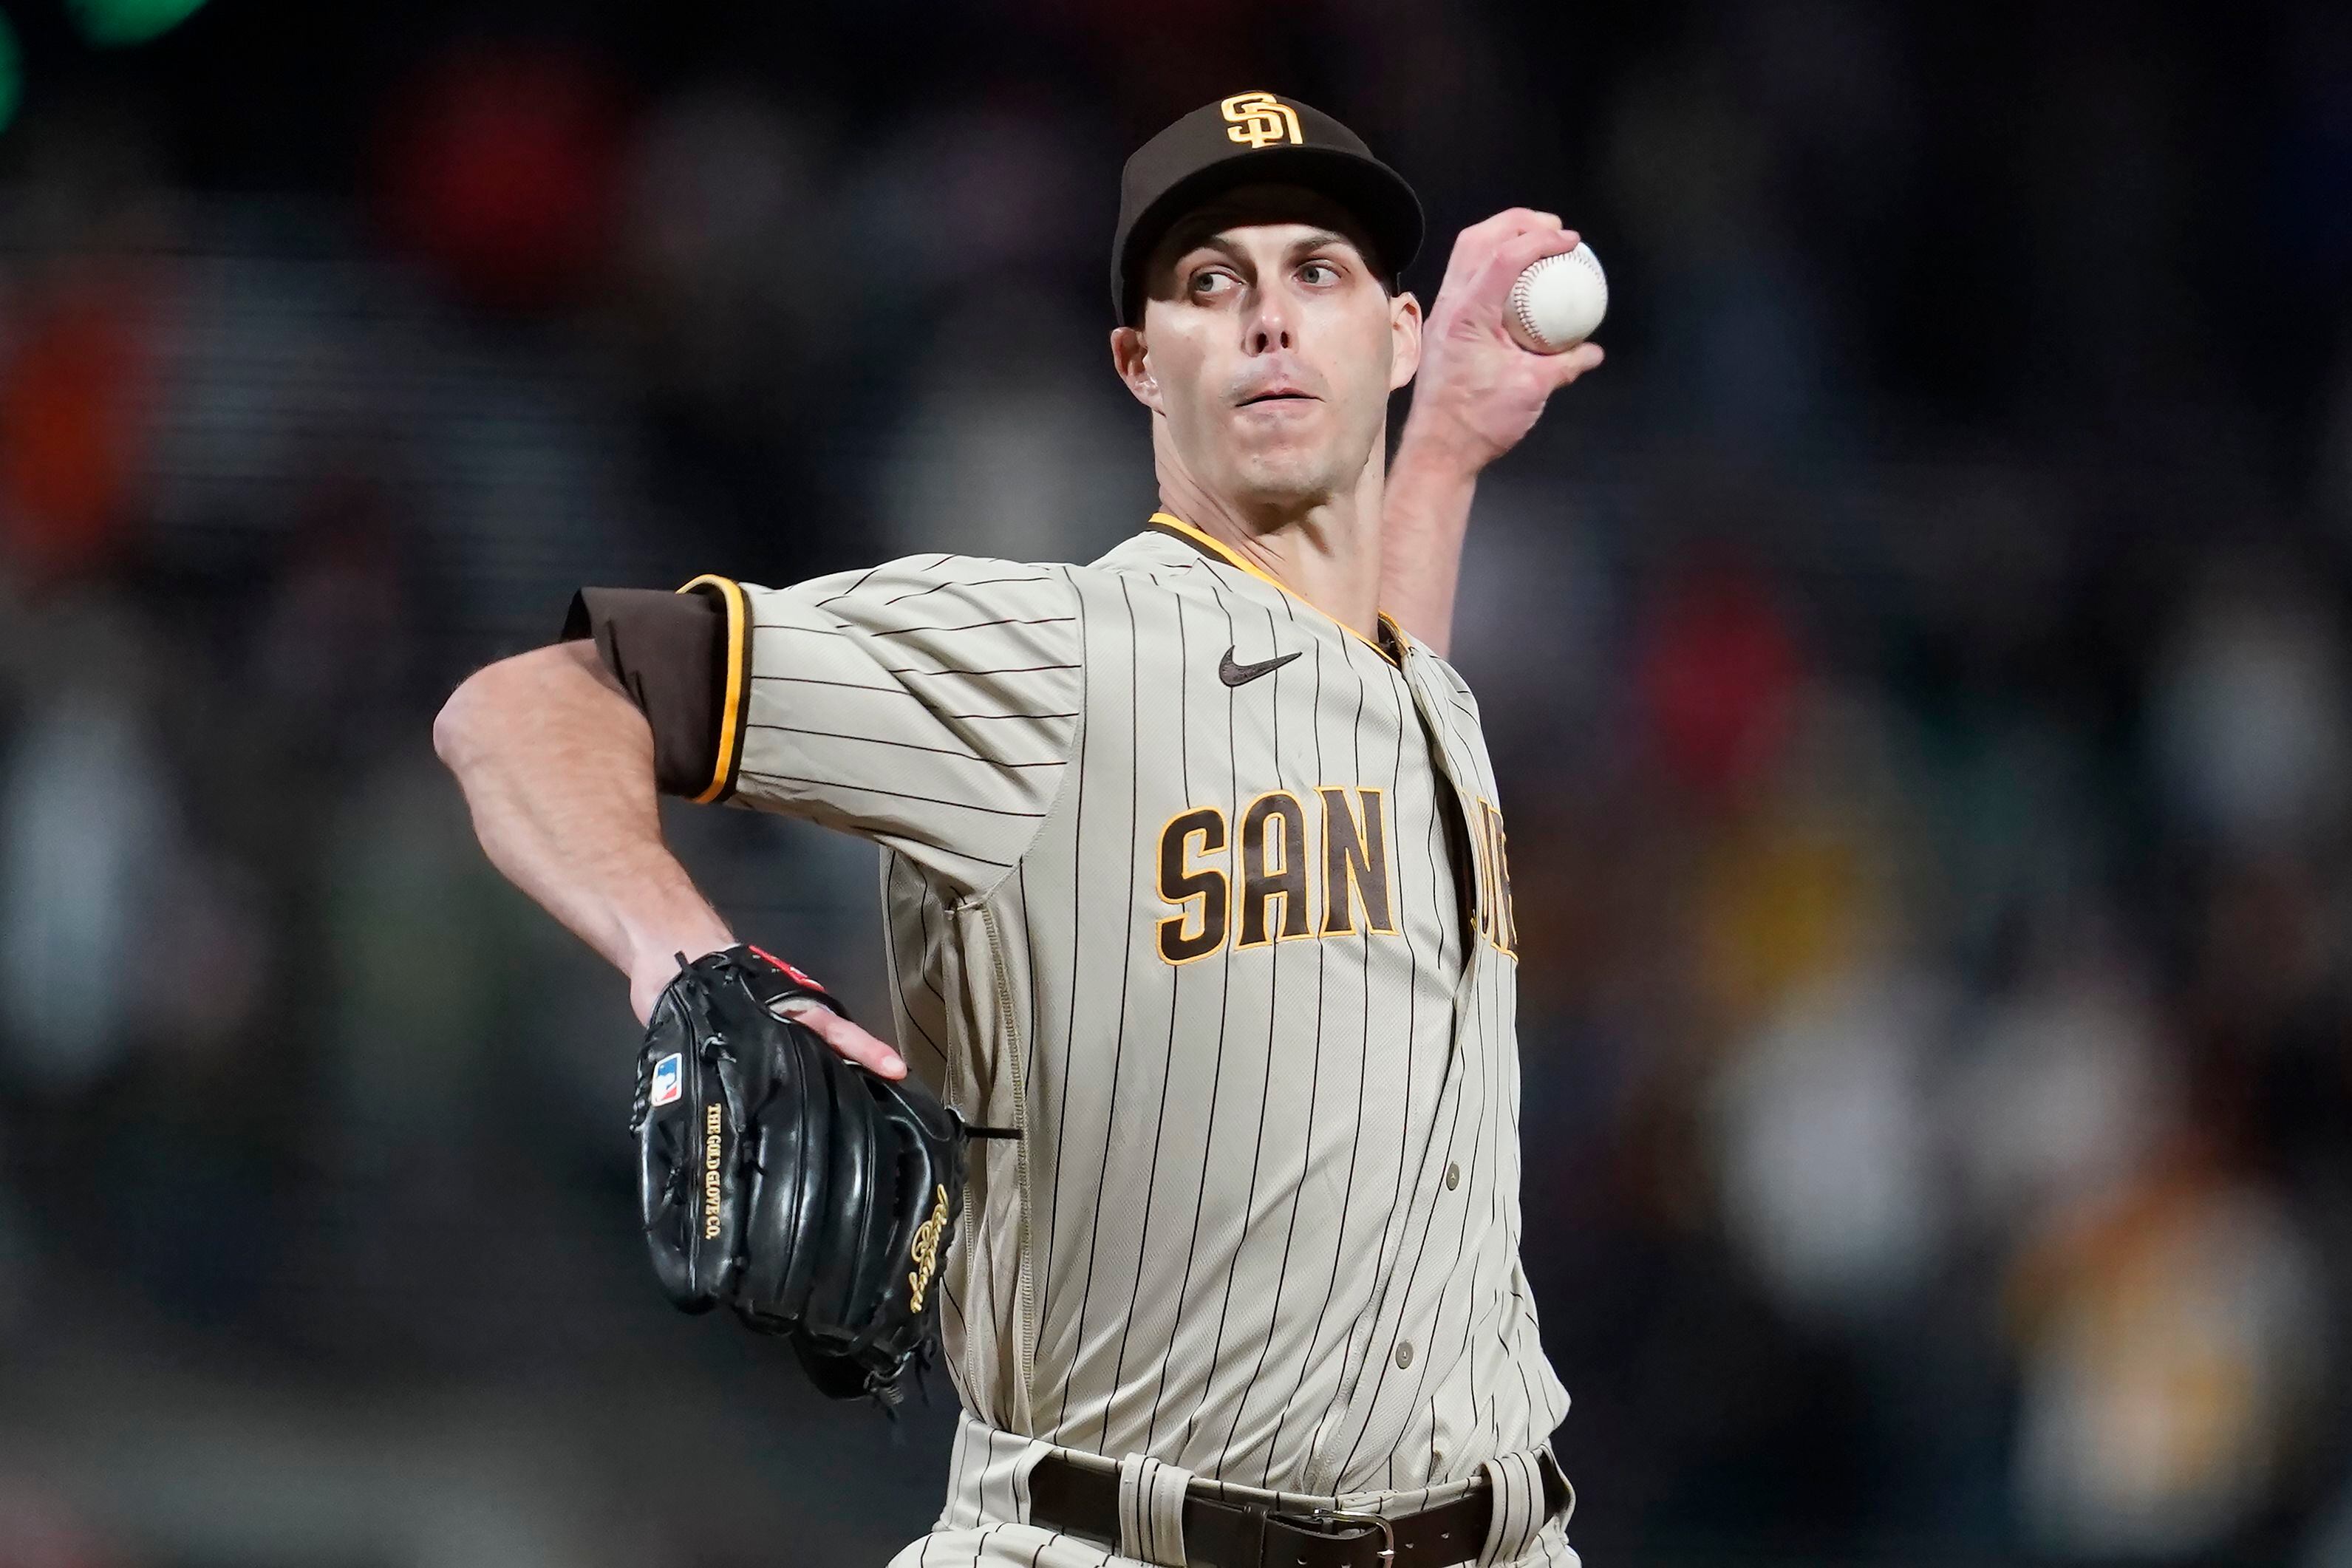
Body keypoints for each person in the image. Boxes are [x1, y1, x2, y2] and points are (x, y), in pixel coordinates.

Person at [435, 91, 1602, 1568]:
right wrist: (683, 960)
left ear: (1393, 335)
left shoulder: (1420, 692)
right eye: (1207, 283)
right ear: (1136, 363)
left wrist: (1437, 453)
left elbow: (1341, 704)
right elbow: (525, 703)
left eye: (1316, 272)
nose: (1267, 322)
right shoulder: (1042, 653)